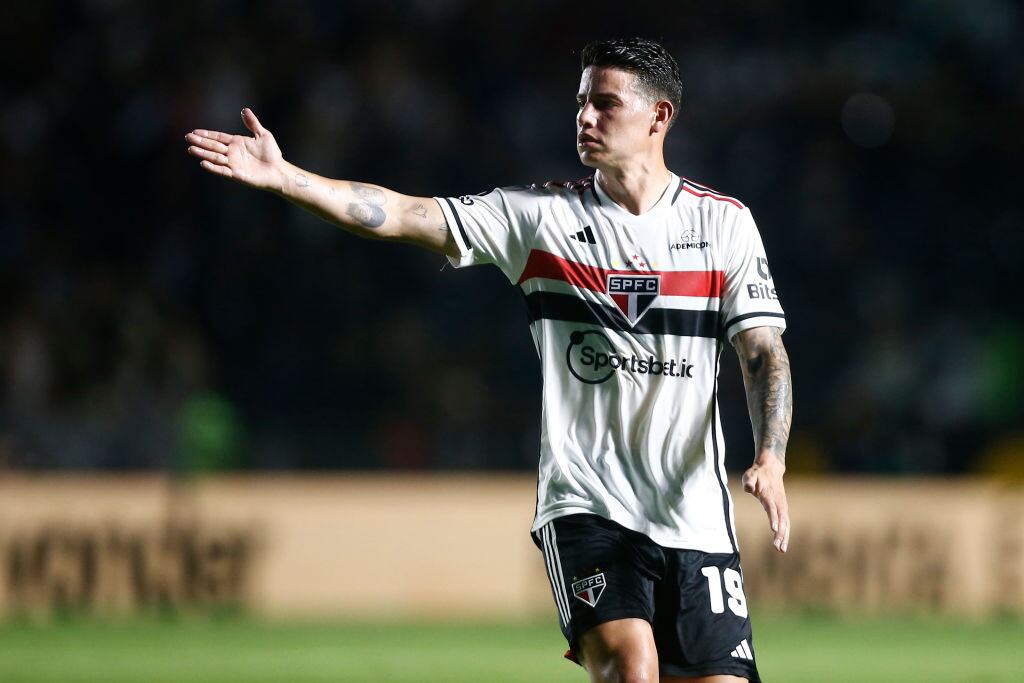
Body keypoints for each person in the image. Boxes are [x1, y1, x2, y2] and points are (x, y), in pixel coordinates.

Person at [186, 37, 791, 683]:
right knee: (630, 667)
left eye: (605, 104)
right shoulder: (540, 217)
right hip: (587, 507)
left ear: (659, 117)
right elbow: (401, 214)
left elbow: (761, 350)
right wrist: (288, 178)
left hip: (694, 515)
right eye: (581, 102)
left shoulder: (723, 224)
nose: (584, 117)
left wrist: (772, 456)